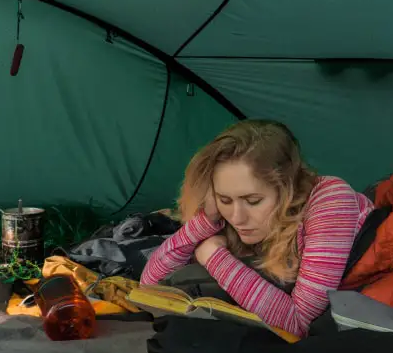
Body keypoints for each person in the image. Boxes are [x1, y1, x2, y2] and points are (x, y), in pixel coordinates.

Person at [140, 119, 375, 337]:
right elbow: (149, 285)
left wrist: (214, 256)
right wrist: (204, 223)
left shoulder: (330, 201)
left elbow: (299, 323)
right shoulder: (230, 217)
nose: (237, 217)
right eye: (225, 200)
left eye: (253, 201)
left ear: (287, 188)